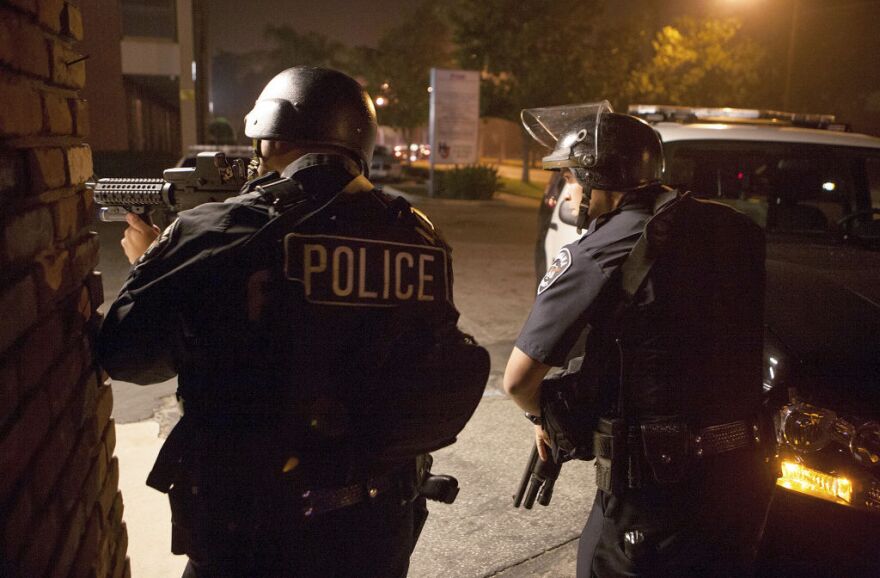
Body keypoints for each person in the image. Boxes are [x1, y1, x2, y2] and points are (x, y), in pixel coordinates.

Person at [97, 66, 487, 577]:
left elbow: (128, 355)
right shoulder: (419, 235)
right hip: (379, 524)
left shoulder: (219, 228)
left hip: (255, 533)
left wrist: (150, 261)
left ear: (272, 135)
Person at [504, 102, 775, 576]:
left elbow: (518, 380)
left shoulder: (600, 248)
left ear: (594, 177)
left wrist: (540, 417)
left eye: (567, 176)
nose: (564, 190)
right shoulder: (732, 227)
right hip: (742, 480)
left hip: (653, 493)